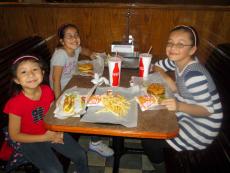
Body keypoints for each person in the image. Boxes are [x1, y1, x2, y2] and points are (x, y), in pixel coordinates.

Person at [142, 25, 223, 173]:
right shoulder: (178, 60)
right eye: (170, 42)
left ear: (192, 50)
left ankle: (161, 170)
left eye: (180, 44)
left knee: (150, 140)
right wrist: (170, 80)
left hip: (202, 126)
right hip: (188, 111)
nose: (173, 47)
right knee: (152, 115)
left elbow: (207, 110)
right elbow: (157, 66)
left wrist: (178, 106)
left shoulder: (194, 75)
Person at [4, 55, 89, 173]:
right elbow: (15, 135)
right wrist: (45, 137)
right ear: (17, 80)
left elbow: (54, 113)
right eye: (24, 72)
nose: (31, 74)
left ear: (42, 73)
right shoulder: (15, 104)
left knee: (80, 154)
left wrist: (59, 131)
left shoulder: (47, 90)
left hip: (50, 131)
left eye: (35, 69)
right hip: (28, 140)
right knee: (55, 170)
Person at [49, 23, 114, 157]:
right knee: (92, 105)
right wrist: (57, 100)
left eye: (76, 35)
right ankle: (95, 142)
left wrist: (93, 55)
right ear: (62, 41)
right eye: (69, 36)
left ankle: (99, 130)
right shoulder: (60, 54)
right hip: (63, 91)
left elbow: (84, 50)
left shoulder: (76, 48)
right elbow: (55, 80)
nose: (74, 38)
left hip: (73, 85)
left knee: (99, 93)